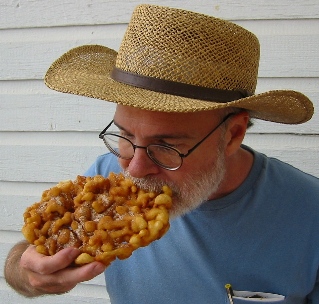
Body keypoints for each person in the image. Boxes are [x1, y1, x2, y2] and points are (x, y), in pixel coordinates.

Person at [4, 4, 319, 304]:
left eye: (166, 147)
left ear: (233, 134)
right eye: (125, 136)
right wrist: (27, 271)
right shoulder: (105, 178)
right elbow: (25, 258)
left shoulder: (310, 213)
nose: (136, 170)